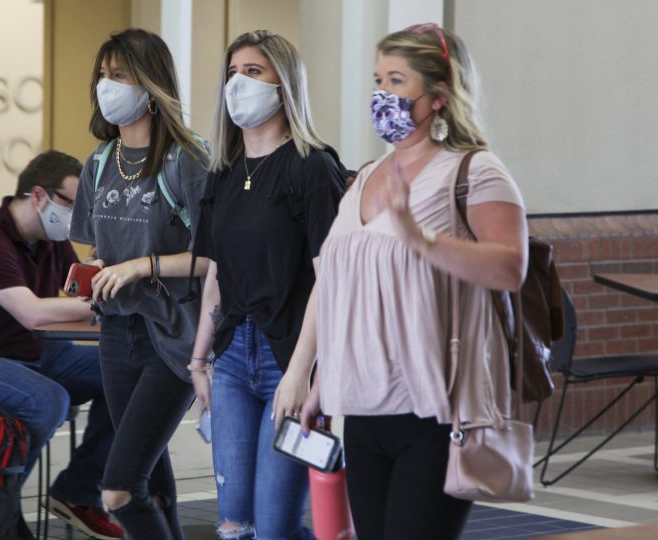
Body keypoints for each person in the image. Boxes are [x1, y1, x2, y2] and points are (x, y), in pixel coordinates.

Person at [295, 24, 529, 539]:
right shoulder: (366, 175)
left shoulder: (474, 171)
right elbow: (337, 287)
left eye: (397, 81)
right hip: (359, 402)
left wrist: (420, 238)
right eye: (379, 79)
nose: (383, 94)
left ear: (438, 97)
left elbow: (511, 268)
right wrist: (317, 379)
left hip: (435, 406)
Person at [188, 30, 345, 540]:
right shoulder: (223, 170)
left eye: (253, 72)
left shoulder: (313, 166)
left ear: (285, 84)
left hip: (289, 355)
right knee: (234, 523)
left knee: (275, 527)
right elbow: (216, 271)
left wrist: (301, 372)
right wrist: (199, 360)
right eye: (232, 73)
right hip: (233, 357)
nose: (238, 83)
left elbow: (331, 278)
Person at [0, 150, 124, 540]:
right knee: (47, 400)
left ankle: (77, 493)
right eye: (73, 203)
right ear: (38, 195)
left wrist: (107, 294)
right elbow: (33, 314)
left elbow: (70, 305)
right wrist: (100, 304)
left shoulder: (51, 243)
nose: (78, 215)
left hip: (28, 356)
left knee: (128, 374)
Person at [69, 28, 208, 539]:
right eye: (103, 76)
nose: (107, 86)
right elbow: (100, 249)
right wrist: (95, 270)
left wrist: (141, 266)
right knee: (150, 482)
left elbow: (214, 257)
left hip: (172, 338)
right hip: (116, 334)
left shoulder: (187, 160)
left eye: (120, 76)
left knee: (120, 489)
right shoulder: (99, 163)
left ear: (151, 86)